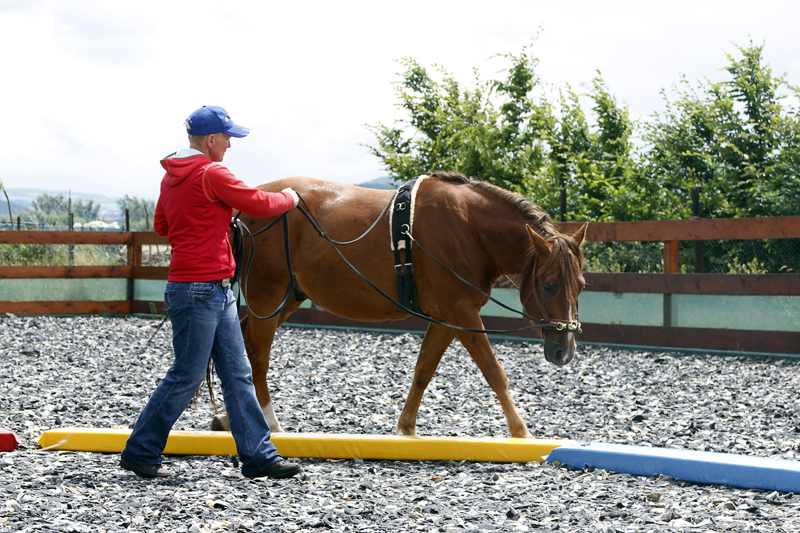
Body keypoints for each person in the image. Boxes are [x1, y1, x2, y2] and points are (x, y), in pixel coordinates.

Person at [120, 105, 302, 479]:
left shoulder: (171, 177)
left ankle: (258, 457)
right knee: (186, 377)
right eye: (228, 138)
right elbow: (259, 203)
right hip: (203, 289)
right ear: (211, 140)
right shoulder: (212, 172)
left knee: (238, 374)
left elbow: (160, 225)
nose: (231, 146)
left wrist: (210, 220)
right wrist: (290, 198)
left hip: (205, 288)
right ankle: (140, 450)